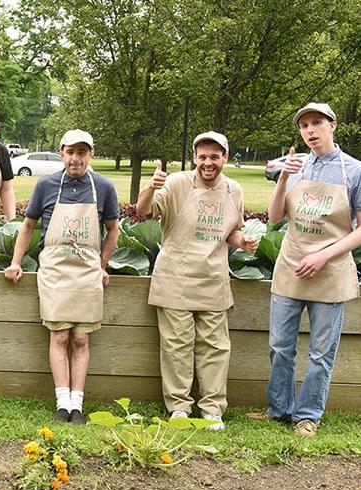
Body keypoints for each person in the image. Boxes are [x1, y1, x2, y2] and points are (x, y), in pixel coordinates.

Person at [247, 103, 361, 437]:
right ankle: (279, 409)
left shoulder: (354, 170)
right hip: (291, 266)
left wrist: (324, 256)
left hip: (331, 270)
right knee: (280, 345)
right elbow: (274, 216)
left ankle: (308, 415)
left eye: (317, 123)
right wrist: (283, 177)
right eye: (304, 126)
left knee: (321, 351)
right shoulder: (296, 168)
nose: (310, 131)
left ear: (332, 126)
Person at [135, 131, 258, 430]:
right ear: (194, 158)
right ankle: (179, 407)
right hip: (175, 277)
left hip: (213, 279)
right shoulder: (177, 183)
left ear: (225, 158)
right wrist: (151, 187)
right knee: (177, 345)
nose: (208, 162)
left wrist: (242, 242)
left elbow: (229, 231)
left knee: (215, 347)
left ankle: (212, 409)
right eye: (202, 156)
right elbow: (143, 211)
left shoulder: (234, 190)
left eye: (215, 157)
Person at [4, 130, 119, 423]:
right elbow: (28, 226)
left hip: (87, 272)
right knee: (60, 334)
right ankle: (62, 402)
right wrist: (16, 262)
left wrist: (102, 265)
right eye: (70, 152)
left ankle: (78, 404)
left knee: (80, 338)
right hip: (55, 270)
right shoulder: (46, 185)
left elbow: (113, 230)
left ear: (90, 155)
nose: (76, 159)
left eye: (82, 153)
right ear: (61, 153)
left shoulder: (103, 188)